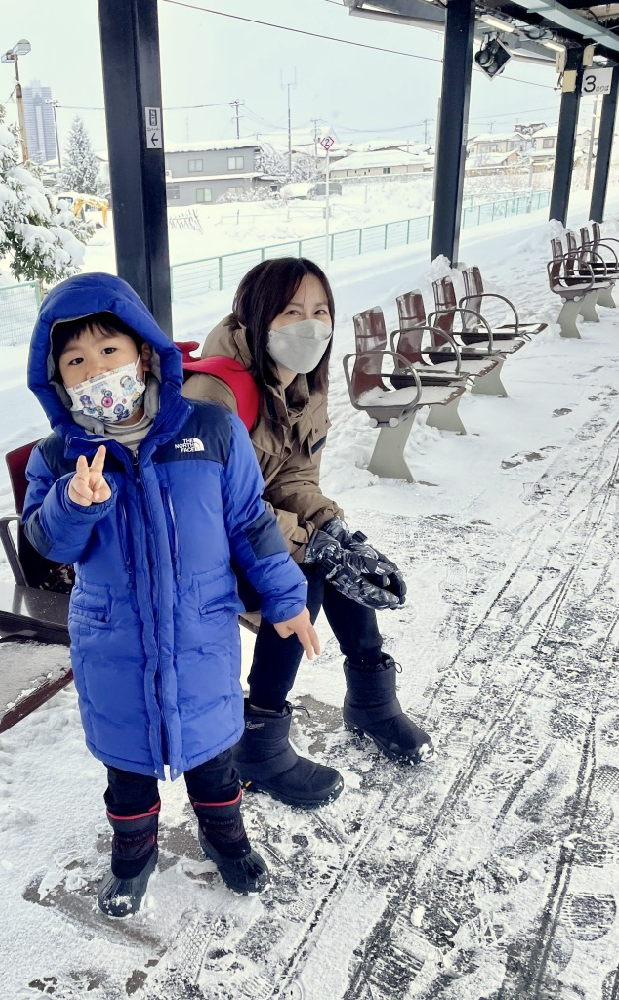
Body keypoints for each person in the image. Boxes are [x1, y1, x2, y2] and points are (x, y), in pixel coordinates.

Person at [22, 272, 320, 917]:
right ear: (57, 379)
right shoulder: (58, 457)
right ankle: (133, 857)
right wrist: (75, 504)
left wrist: (286, 596)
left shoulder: (210, 430)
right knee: (127, 769)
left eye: (109, 351)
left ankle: (226, 839)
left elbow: (250, 521)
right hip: (113, 644)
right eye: (76, 361)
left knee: (214, 759)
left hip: (200, 633)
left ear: (143, 355)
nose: (96, 370)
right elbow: (46, 545)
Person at [181, 257, 433, 811]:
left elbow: (294, 478)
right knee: (305, 579)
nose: (310, 326)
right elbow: (214, 507)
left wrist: (332, 529)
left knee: (342, 565)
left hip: (255, 532)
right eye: (291, 312)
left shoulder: (300, 379)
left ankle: (372, 702)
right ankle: (258, 742)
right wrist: (306, 544)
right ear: (257, 317)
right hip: (201, 548)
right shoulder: (214, 394)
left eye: (321, 312)